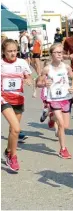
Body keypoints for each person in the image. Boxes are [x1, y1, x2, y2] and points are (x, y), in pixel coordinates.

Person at [37, 43, 73, 159]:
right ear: (51, 54)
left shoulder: (66, 67)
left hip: (65, 98)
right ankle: (63, 149)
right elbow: (38, 82)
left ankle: (51, 116)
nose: (60, 54)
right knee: (62, 125)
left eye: (61, 52)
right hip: (54, 99)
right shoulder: (47, 69)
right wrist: (43, 83)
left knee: (66, 126)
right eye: (57, 52)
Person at [1, 39, 32, 172]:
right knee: (16, 128)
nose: (13, 54)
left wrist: (28, 80)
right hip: (3, 99)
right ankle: (13, 157)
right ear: (3, 52)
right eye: (9, 51)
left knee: (12, 130)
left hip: (18, 99)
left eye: (15, 51)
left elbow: (29, 76)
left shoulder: (22, 63)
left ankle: (8, 151)